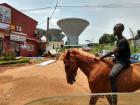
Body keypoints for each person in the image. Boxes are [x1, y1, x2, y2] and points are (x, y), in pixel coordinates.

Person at [100, 23, 131, 105]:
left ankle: (114, 101)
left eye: (115, 28)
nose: (114, 30)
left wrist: (102, 57)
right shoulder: (118, 40)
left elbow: (113, 52)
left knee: (112, 75)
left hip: (123, 61)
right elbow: (117, 53)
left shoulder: (123, 40)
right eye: (114, 28)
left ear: (121, 30)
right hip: (117, 59)